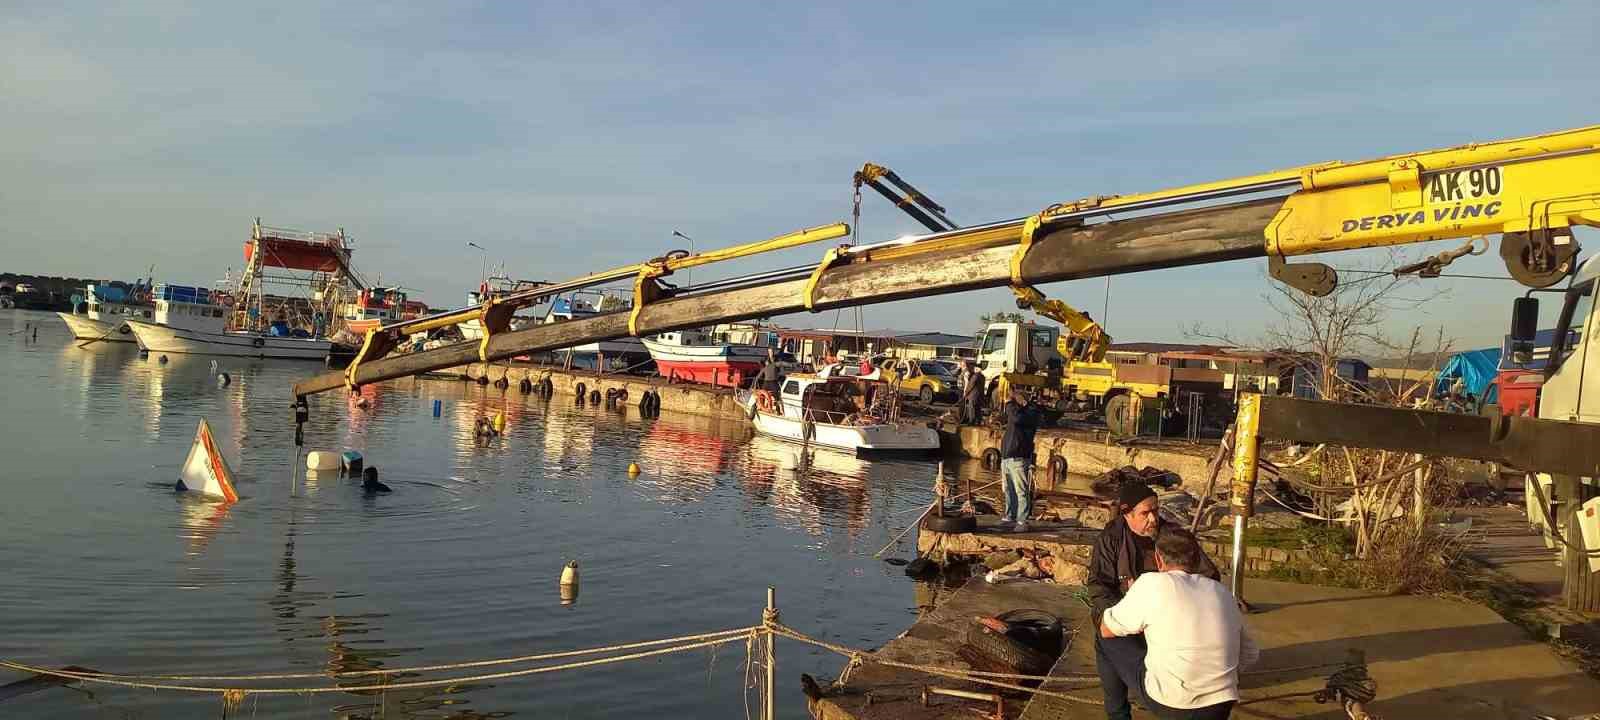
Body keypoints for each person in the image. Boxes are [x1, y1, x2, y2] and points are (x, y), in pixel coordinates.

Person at [1089, 484, 1222, 720]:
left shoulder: (1173, 537)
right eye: (1145, 513)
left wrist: (1174, 591)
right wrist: (1119, 613)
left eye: (1156, 511)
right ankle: (1118, 711)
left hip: (1172, 619)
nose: (1153, 519)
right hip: (1128, 616)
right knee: (1104, 634)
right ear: (1127, 514)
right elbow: (1099, 585)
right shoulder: (1111, 538)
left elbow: (1209, 575)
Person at [1099, 524, 1257, 719]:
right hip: (1221, 704)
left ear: (1158, 559)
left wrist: (1133, 598)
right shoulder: (1222, 592)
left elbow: (1107, 629)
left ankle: (1119, 716)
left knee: (1103, 638)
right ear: (1197, 560)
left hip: (1172, 702)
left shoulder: (1152, 583)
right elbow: (1250, 653)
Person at [999, 389, 1042, 532]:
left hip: (1018, 457)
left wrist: (1009, 403)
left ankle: (1022, 521)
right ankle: (1010, 516)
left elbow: (1017, 418)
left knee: (1021, 491)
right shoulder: (1017, 412)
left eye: (1015, 400)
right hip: (1007, 456)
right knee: (1008, 489)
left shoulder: (1031, 412)